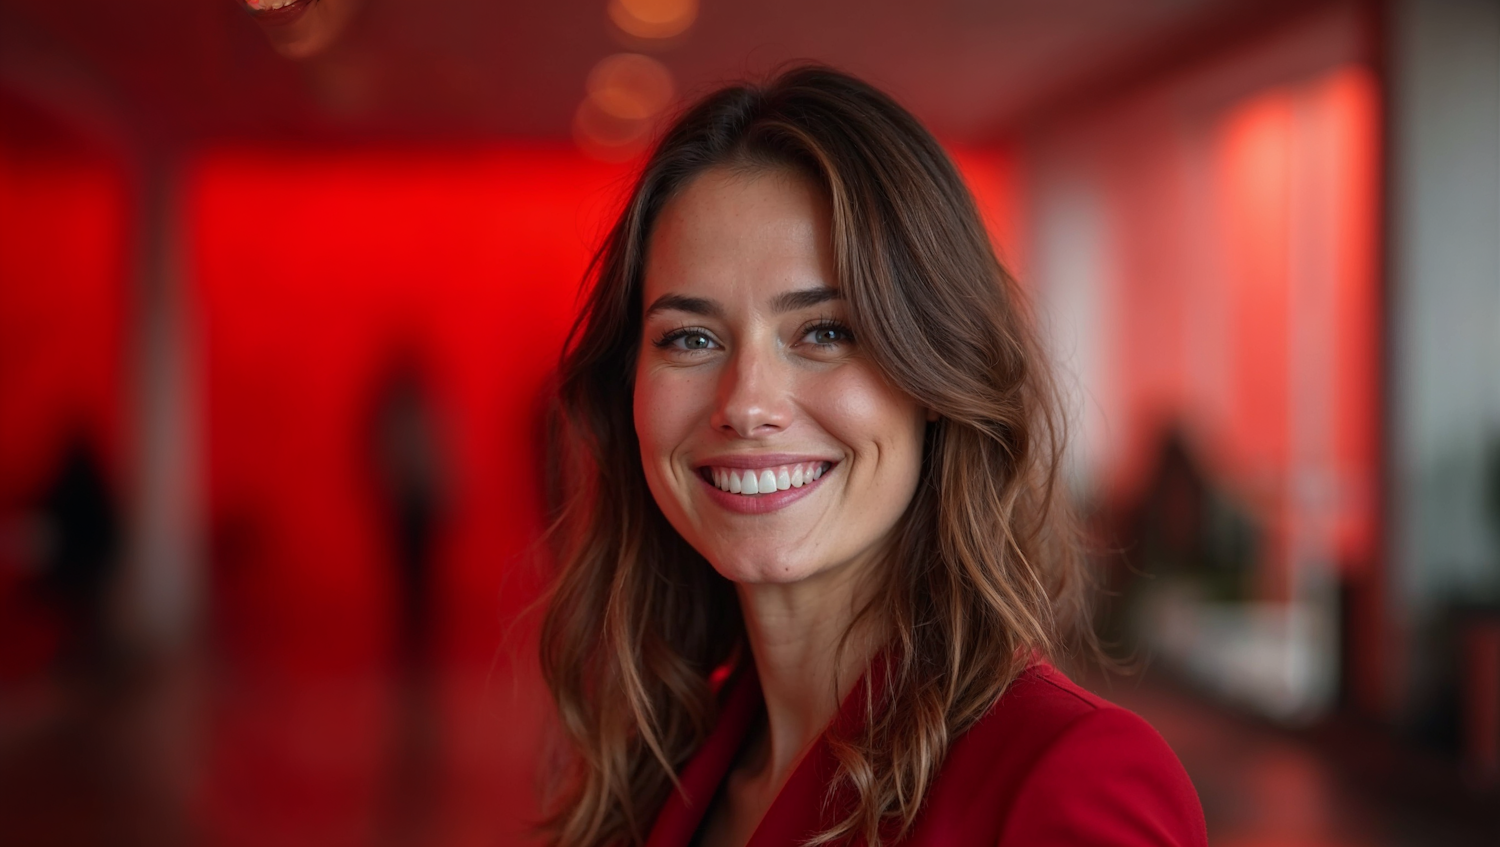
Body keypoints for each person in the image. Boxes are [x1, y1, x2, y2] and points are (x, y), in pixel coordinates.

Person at [539, 66, 1207, 847]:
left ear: (935, 376)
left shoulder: (1064, 778)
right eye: (690, 337)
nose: (747, 402)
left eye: (825, 331)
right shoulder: (662, 763)